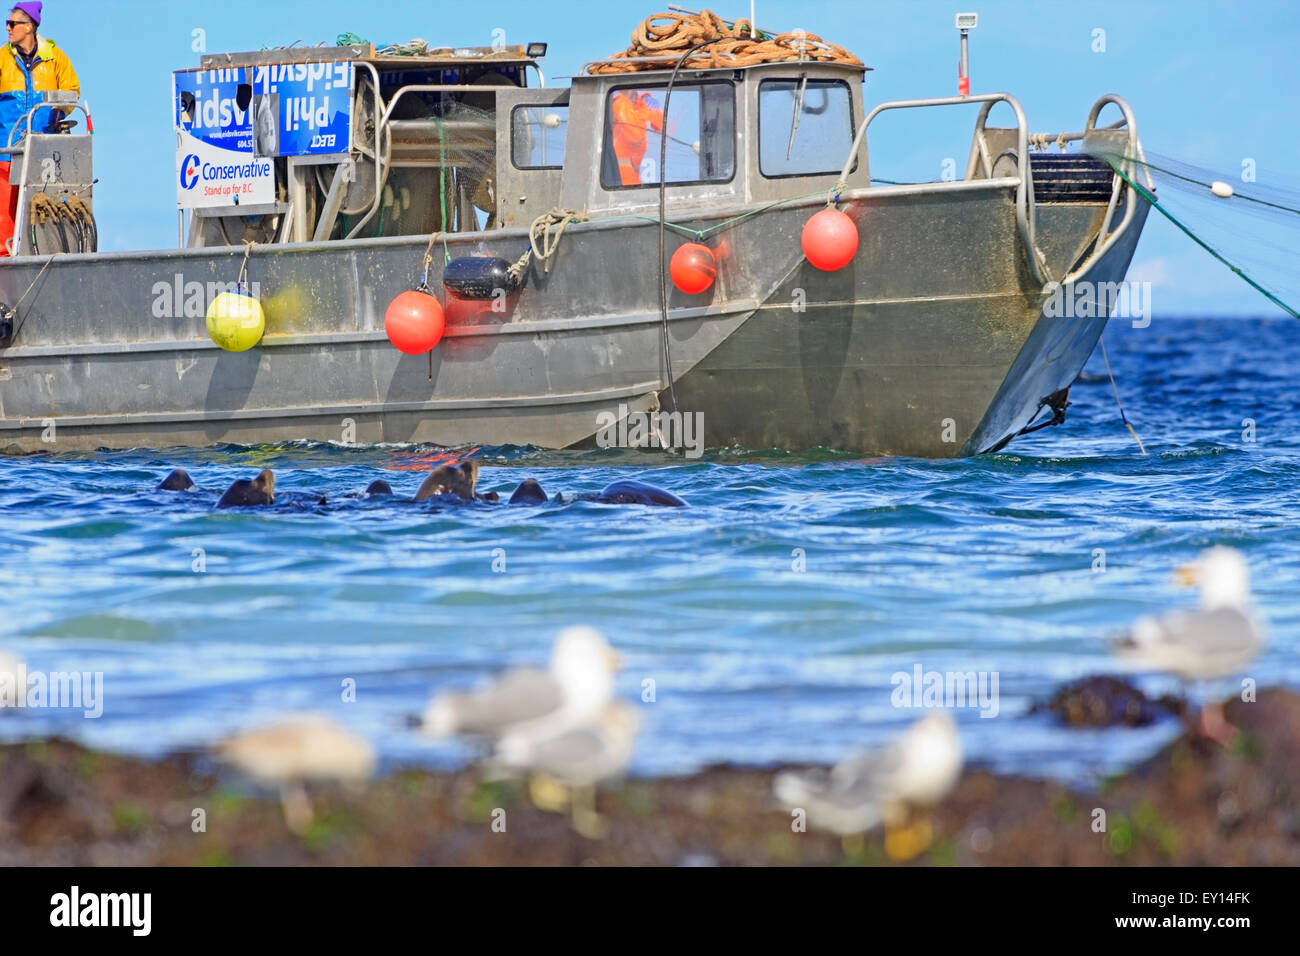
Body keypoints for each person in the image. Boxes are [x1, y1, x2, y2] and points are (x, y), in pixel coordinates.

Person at [0, 2, 79, 256]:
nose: (8, 28)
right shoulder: (2, 58)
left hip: (44, 154)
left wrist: (57, 113)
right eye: (8, 23)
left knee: (41, 213)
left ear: (29, 26)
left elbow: (72, 93)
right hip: (6, 151)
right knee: (4, 217)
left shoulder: (55, 59)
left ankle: (39, 262)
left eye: (13, 23)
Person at [609, 89, 663, 186]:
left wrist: (653, 111)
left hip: (625, 177)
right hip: (611, 176)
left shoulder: (642, 103)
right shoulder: (609, 100)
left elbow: (659, 125)